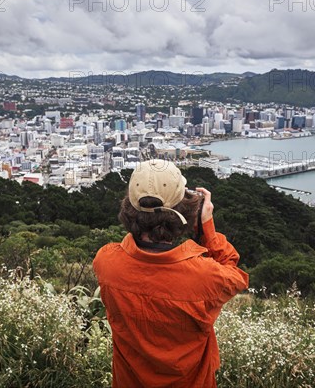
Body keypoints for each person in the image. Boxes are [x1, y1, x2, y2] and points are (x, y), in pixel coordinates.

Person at [93, 160, 249, 388]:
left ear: (129, 207)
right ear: (184, 210)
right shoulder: (204, 276)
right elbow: (236, 275)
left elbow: (129, 252)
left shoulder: (106, 262)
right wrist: (206, 226)